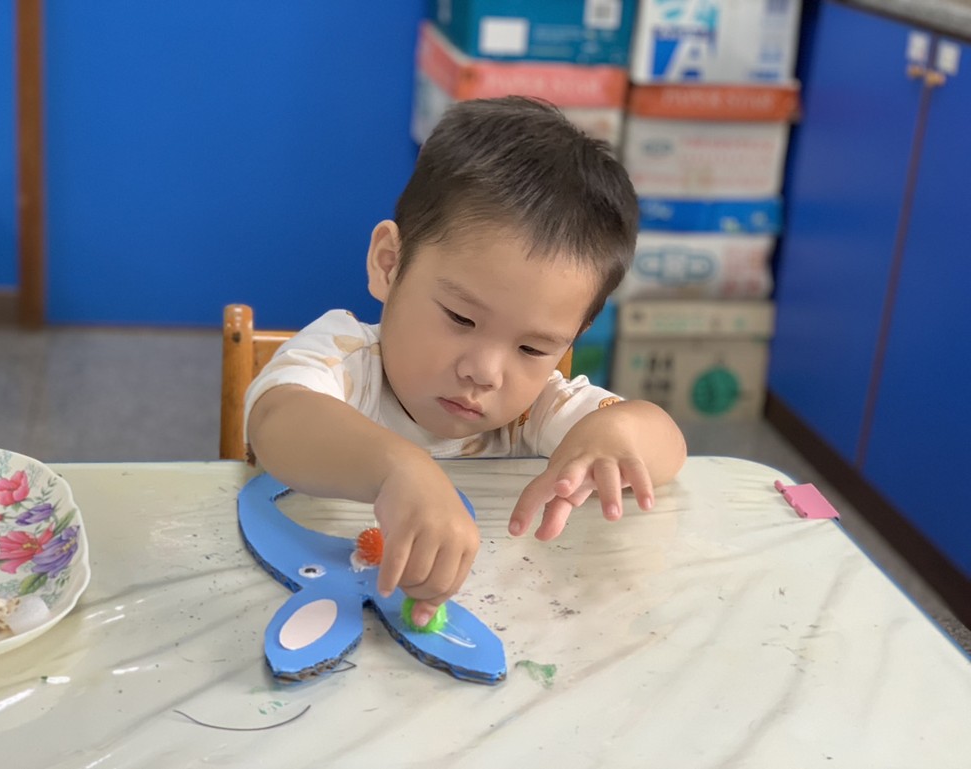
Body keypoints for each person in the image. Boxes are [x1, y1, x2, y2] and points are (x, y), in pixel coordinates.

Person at [245, 96, 686, 629]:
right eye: (460, 318)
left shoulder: (536, 409)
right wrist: (397, 469)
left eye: (532, 349)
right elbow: (278, 419)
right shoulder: (344, 358)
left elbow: (664, 445)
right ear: (390, 264)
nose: (485, 372)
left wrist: (615, 433)